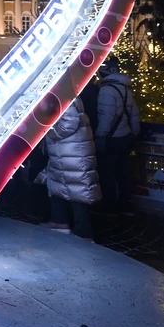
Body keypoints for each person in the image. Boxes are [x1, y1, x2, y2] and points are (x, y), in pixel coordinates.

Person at [37, 97, 101, 239]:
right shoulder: (64, 95)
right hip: (67, 153)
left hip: (72, 153)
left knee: (77, 191)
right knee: (57, 186)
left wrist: (49, 133)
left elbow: (69, 123)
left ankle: (83, 234)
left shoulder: (65, 96)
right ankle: (60, 223)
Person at [94, 56, 140, 216]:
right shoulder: (124, 87)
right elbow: (133, 113)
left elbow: (106, 117)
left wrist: (100, 135)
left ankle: (109, 206)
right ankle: (125, 204)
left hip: (112, 139)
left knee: (107, 173)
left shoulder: (106, 90)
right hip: (125, 136)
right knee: (123, 171)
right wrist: (134, 132)